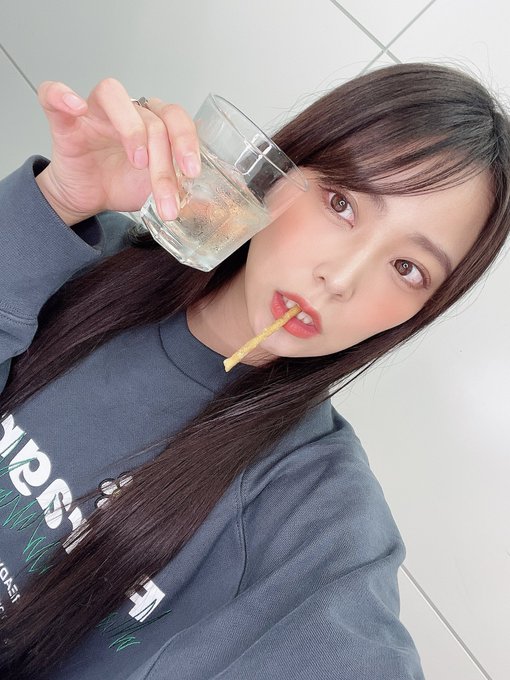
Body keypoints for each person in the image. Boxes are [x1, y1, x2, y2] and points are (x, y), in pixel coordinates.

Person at [0, 63, 508, 680]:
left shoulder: (314, 507)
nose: (340, 279)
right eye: (342, 203)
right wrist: (55, 201)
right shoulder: (83, 254)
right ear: (278, 171)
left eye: (408, 269)